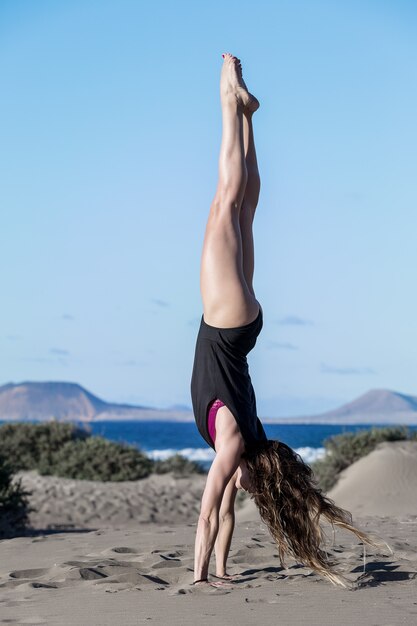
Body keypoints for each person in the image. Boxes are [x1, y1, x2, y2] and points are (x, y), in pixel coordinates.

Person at [190, 53, 378, 588]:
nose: (241, 487)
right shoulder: (233, 445)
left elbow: (222, 511)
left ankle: (247, 114)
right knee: (225, 203)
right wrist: (198, 578)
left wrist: (223, 572)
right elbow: (206, 515)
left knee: (244, 210)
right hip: (225, 324)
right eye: (251, 483)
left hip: (243, 327)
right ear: (255, 465)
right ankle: (230, 104)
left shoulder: (251, 438)